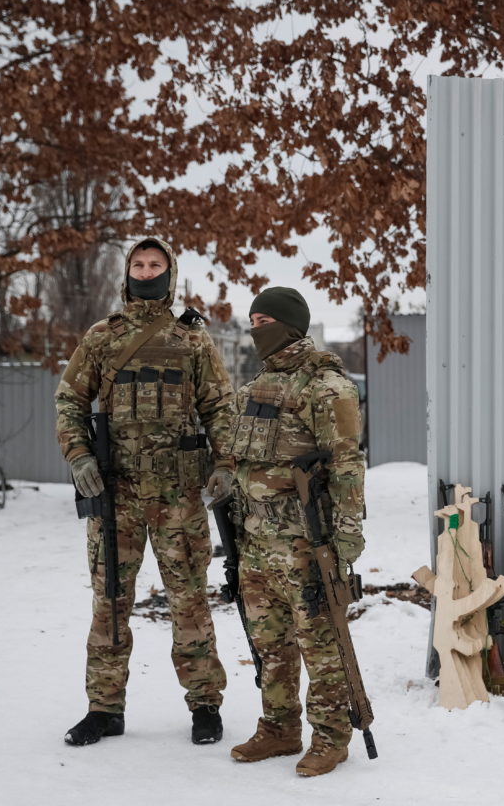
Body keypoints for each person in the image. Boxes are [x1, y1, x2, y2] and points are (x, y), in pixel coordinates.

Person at [55, 237, 236, 747]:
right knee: (110, 600)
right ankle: (104, 708)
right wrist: (79, 455)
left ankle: (205, 705)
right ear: (127, 271)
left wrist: (224, 464)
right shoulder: (101, 337)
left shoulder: (192, 339)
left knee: (190, 601)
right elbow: (69, 399)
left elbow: (220, 408)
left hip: (178, 495)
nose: (147, 270)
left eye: (155, 264)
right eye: (139, 263)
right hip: (118, 496)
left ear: (169, 272)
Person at [223, 286, 366, 777]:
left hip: (308, 542)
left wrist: (348, 535)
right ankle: (280, 728)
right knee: (271, 643)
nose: (256, 329)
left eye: (265, 321)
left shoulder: (326, 387)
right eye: (253, 320)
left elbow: (347, 464)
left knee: (321, 645)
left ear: (290, 325)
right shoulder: (253, 387)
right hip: (256, 543)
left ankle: (330, 737)